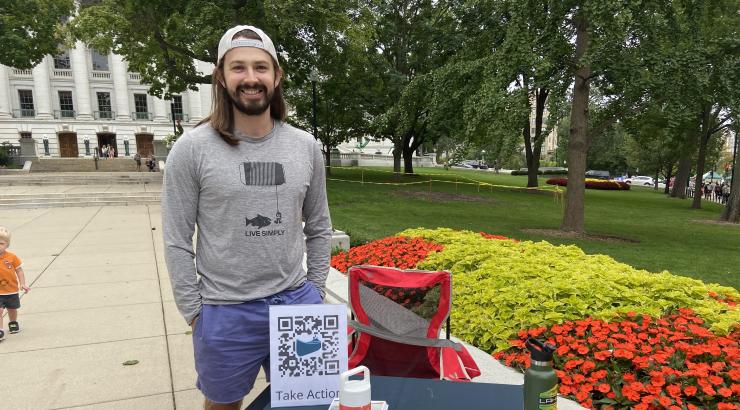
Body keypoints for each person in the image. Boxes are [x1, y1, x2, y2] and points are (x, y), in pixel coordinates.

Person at [162, 25, 331, 409]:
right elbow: (175, 238)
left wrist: (316, 294)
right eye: (238, 68)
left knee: (307, 404)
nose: (250, 78)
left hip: (296, 304)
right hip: (225, 312)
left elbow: (319, 228)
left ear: (277, 76)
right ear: (221, 77)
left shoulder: (305, 147)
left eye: (261, 67)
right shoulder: (192, 149)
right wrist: (194, 314)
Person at [0, 227, 29, 342]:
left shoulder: (12, 257)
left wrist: (22, 284)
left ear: (7, 245)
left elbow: (19, 271)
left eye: (1, 243)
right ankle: (0, 330)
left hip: (11, 290)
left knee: (12, 309)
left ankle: (13, 322)